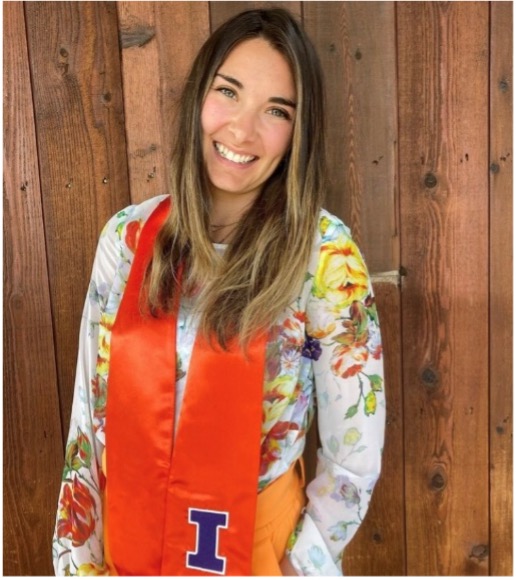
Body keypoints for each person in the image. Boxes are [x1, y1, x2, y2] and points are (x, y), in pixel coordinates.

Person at [52, 8, 385, 577]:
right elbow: (88, 417)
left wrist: (298, 564)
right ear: (198, 98)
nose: (241, 130)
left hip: (253, 549)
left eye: (275, 110)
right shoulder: (128, 238)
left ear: (298, 133)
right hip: (127, 542)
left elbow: (353, 453)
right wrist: (78, 561)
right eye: (228, 93)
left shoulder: (323, 256)